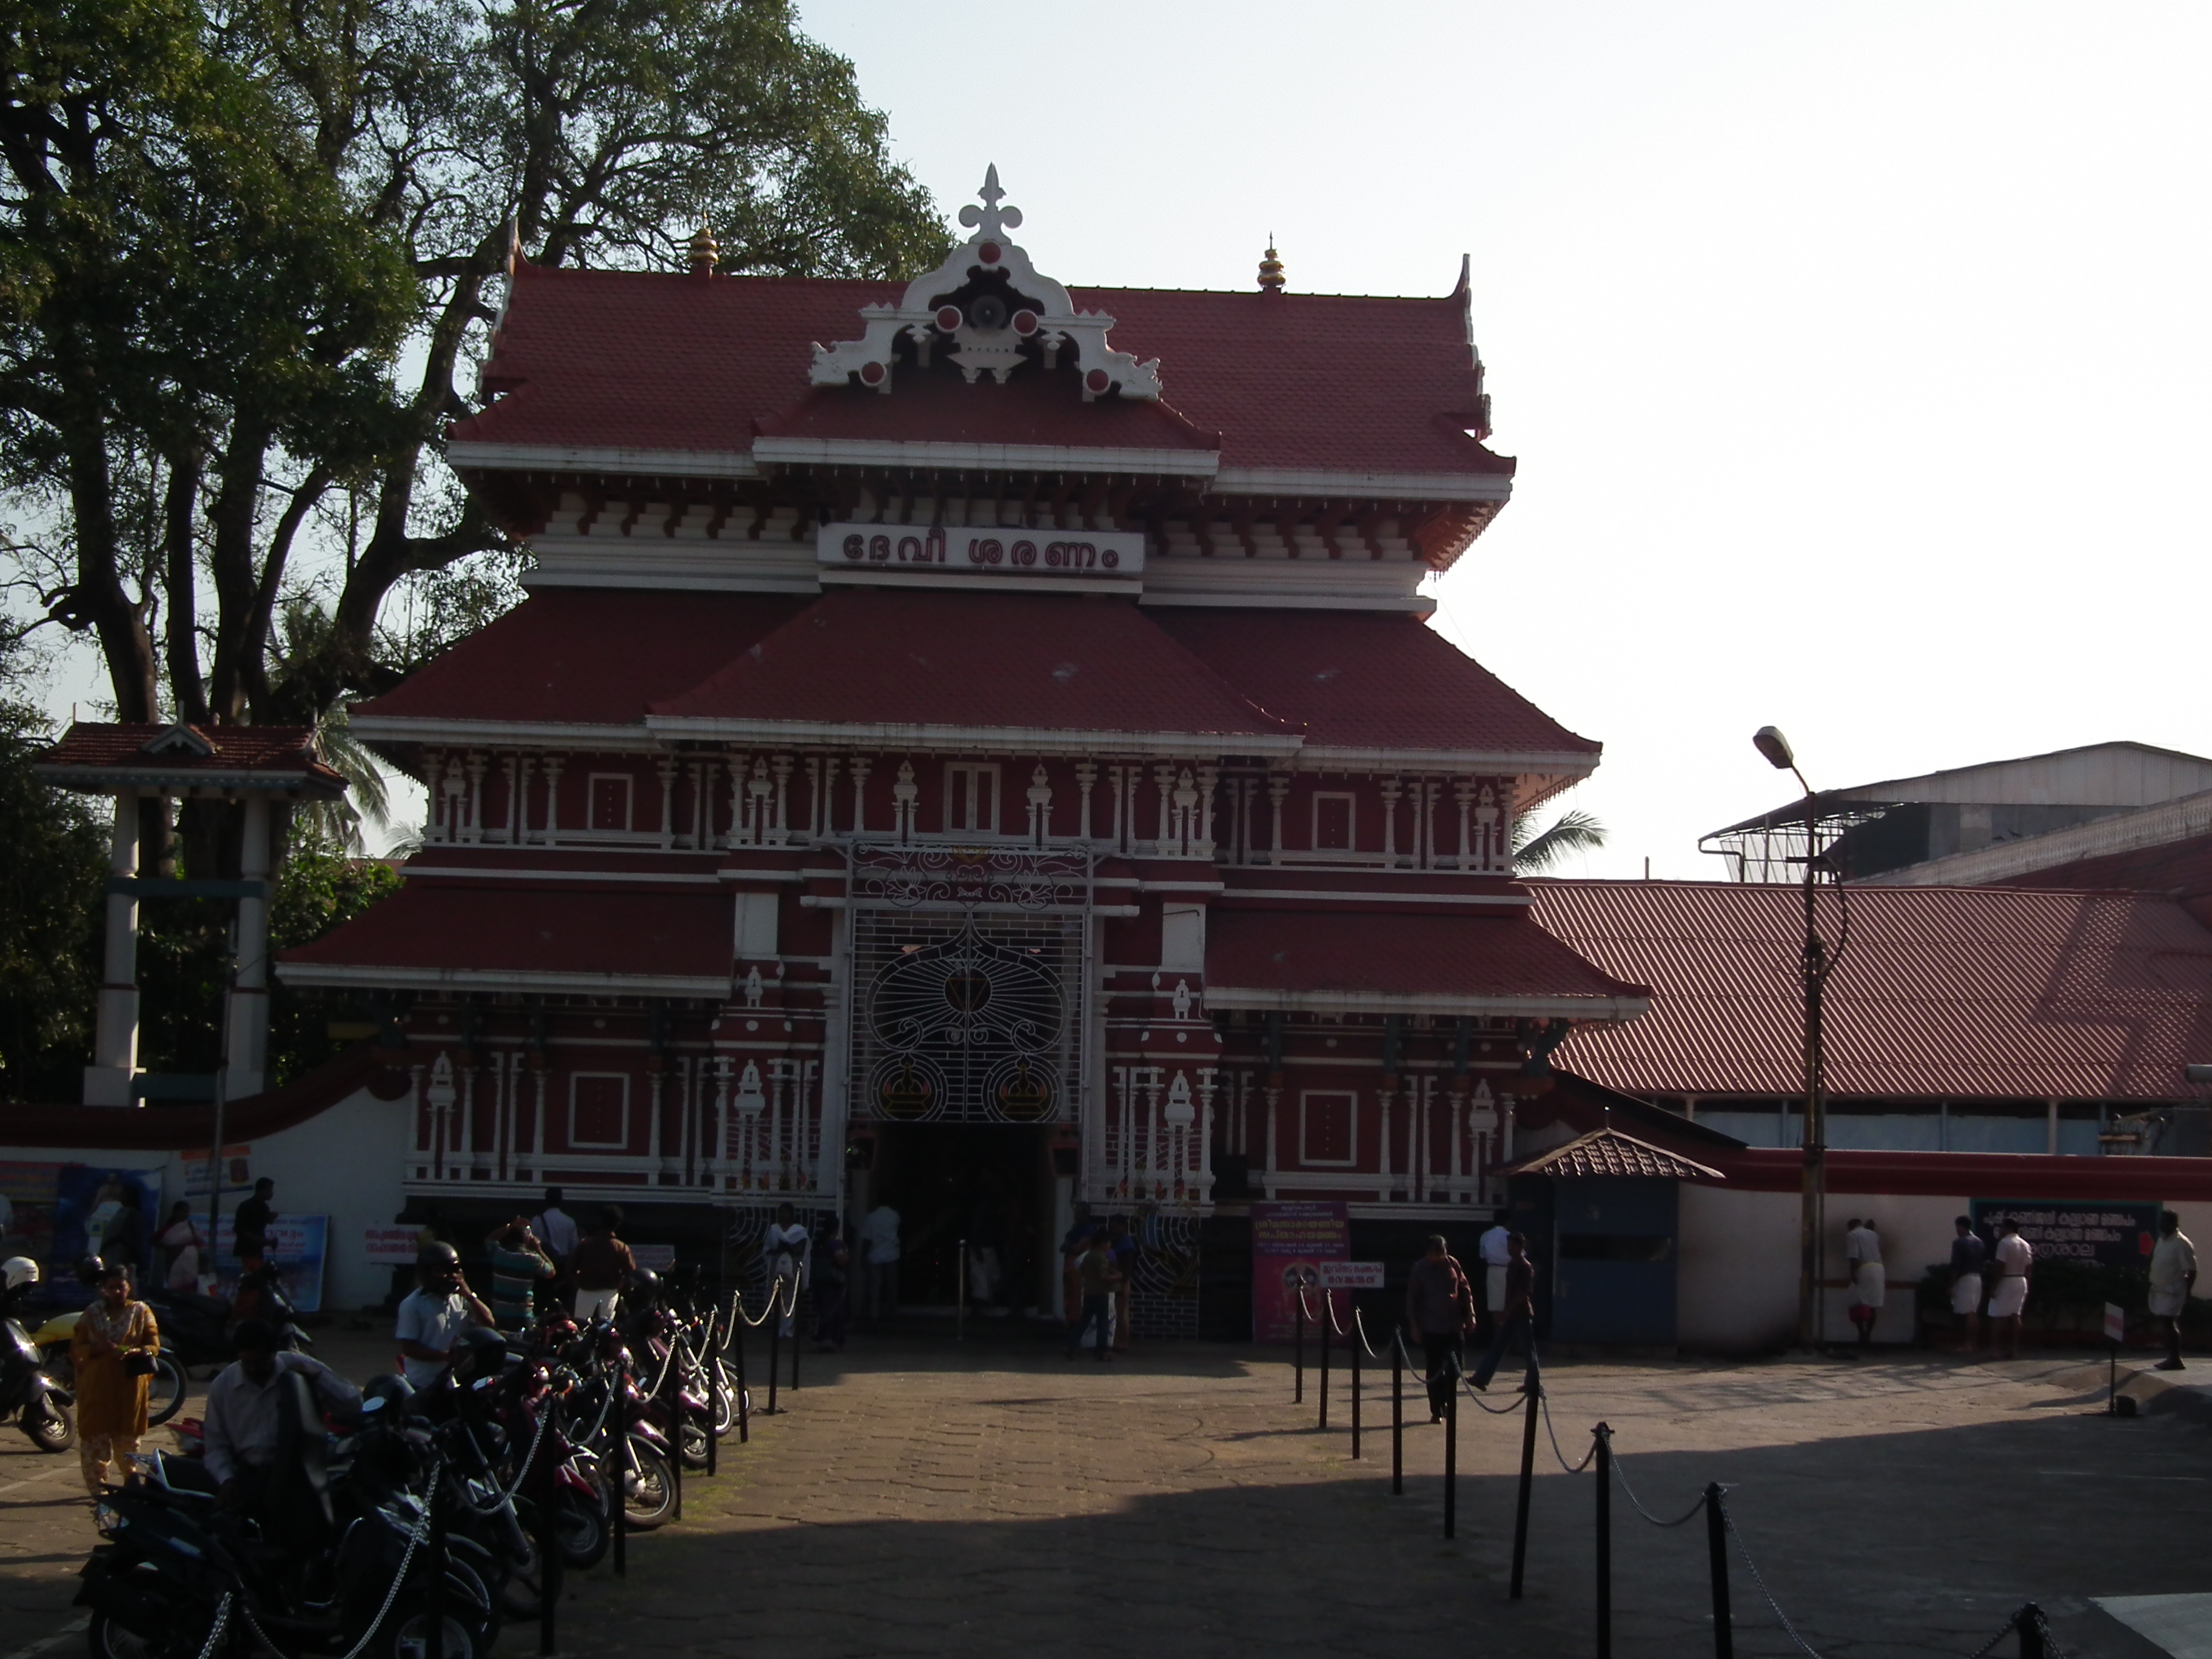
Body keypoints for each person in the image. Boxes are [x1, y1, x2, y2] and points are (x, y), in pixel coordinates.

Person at [203, 1318, 361, 1510]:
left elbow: (353, 1404)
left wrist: (319, 1380)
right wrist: (227, 1480)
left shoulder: (298, 1366)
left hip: (301, 1475)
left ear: (274, 1351)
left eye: (261, 1363)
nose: (254, 1370)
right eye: (248, 1363)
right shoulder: (223, 1386)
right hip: (252, 1476)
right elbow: (215, 1445)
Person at [70, 1261, 159, 1496]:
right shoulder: (92, 1314)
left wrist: (136, 1351)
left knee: (127, 1442)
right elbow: (77, 1347)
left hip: (128, 1387)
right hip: (97, 1387)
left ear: (129, 1287)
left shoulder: (141, 1312)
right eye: (112, 1288)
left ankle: (132, 1483)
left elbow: (154, 1344)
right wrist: (96, 1348)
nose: (117, 1292)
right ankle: (99, 1491)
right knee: (94, 1442)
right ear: (105, 1290)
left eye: (121, 1287)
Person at [395, 1243, 493, 1388]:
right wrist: (447, 1357)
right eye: (440, 1271)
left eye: (454, 1271)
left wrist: (470, 1295)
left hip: (453, 1382)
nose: (450, 1277)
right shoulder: (413, 1304)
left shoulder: (460, 1299)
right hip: (423, 1383)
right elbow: (409, 1348)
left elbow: (488, 1323)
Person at [1404, 1233, 1475, 1420]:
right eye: (1436, 1254)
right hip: (1432, 1325)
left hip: (1454, 1323)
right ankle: (1436, 1410)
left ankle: (1444, 1397)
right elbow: (1412, 1298)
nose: (1440, 1258)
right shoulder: (1420, 1269)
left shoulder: (1453, 1264)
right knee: (1434, 1369)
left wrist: (1471, 1313)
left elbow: (1465, 1289)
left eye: (1442, 1253)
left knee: (1458, 1365)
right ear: (1428, 1253)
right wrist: (1414, 1325)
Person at [1471, 1233, 1537, 1392]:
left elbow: (1523, 1293)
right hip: (1512, 1313)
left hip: (1521, 1313)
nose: (1510, 1249)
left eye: (1513, 1246)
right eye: (1509, 1246)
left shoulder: (1525, 1266)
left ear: (1521, 1247)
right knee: (1498, 1346)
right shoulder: (1513, 1264)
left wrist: (1508, 1310)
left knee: (1528, 1350)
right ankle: (1481, 1378)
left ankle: (1533, 1382)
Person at [486, 1219, 555, 1333]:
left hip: (499, 1313)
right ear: (528, 1240)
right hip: (522, 1315)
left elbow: (490, 1239)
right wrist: (538, 1249)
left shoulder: (499, 1254)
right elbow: (551, 1272)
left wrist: (509, 1227)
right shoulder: (532, 1259)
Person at [2148, 1210, 2198, 1372]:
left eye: (2165, 1222)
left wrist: (2188, 1292)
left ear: (2174, 1224)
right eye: (2160, 1221)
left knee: (2168, 1322)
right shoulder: (2162, 1240)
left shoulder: (2181, 1243)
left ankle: (2175, 1359)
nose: (2161, 1225)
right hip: (2159, 1290)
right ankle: (2172, 1357)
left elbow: (2191, 1270)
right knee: (2165, 1322)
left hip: (2173, 1291)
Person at [571, 1207, 637, 1322]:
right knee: (605, 1330)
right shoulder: (622, 1248)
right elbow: (631, 1275)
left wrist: (579, 1282)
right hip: (609, 1295)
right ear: (618, 1224)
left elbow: (570, 1268)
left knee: (581, 1330)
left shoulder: (585, 1244)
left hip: (585, 1294)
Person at [1065, 1233, 1119, 1360]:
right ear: (1102, 1244)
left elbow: (1082, 1271)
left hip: (1089, 1293)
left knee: (1084, 1323)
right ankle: (1101, 1352)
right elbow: (1104, 1276)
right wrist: (1117, 1277)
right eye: (1108, 1242)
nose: (1109, 1245)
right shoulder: (1101, 1258)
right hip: (1100, 1294)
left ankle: (1070, 1347)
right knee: (1103, 1324)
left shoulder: (1088, 1256)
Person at [1989, 1218, 2033, 1359]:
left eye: (2002, 1228)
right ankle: (2013, 1350)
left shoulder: (2005, 1243)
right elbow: (2029, 1268)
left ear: (2008, 1229)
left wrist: (1994, 1286)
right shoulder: (2025, 1245)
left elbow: (2000, 1266)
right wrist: (2027, 1285)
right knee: (2015, 1315)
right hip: (2021, 1280)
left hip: (2007, 1279)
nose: (2000, 1231)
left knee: (1997, 1315)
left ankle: (1994, 1350)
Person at [764, 1203, 809, 1338]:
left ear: (792, 1214)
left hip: (793, 1267)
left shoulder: (799, 1231)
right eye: (781, 1213)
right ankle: (778, 1328)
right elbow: (767, 1249)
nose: (783, 1216)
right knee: (777, 1296)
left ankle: (789, 1329)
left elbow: (803, 1250)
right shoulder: (774, 1229)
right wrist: (779, 1249)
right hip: (777, 1266)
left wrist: (790, 1248)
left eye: (786, 1213)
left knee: (790, 1300)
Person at [1948, 1216, 1987, 1354]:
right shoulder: (1979, 1242)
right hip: (1977, 1277)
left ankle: (1968, 1344)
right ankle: (1974, 1343)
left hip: (1965, 1278)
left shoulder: (1959, 1243)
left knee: (1968, 1313)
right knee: (1974, 1311)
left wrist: (1952, 1285)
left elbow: (1956, 1265)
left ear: (1960, 1227)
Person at [859, 1198, 901, 1324]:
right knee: (891, 1286)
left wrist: (863, 1257)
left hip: (875, 1255)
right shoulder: (895, 1216)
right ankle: (893, 1313)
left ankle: (874, 1314)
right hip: (891, 1254)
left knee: (875, 1287)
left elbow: (867, 1240)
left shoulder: (871, 1217)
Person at [1844, 1217, 1884, 1352]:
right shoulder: (1874, 1234)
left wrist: (1853, 1274)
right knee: (1873, 1304)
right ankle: (1868, 1336)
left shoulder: (1852, 1235)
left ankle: (1862, 1336)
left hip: (1864, 1268)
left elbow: (1854, 1257)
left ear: (1850, 1227)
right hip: (1879, 1269)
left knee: (1857, 1301)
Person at [813, 1221, 850, 1353]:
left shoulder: (819, 1244)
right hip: (833, 1283)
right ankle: (830, 1340)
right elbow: (842, 1260)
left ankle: (823, 1339)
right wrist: (846, 1250)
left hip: (820, 1282)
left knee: (823, 1311)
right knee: (834, 1312)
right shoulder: (834, 1244)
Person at [1059, 1203, 1100, 1325]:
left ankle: (1076, 1321)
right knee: (1069, 1293)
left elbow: (1077, 1248)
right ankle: (1071, 1319)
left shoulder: (1088, 1230)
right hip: (1070, 1264)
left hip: (1078, 1265)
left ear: (1085, 1214)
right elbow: (1063, 1248)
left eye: (1078, 1212)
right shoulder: (1075, 1228)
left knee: (1076, 1294)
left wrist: (1069, 1247)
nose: (1075, 1215)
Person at [1475, 1220, 1512, 1347]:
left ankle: (1498, 1339)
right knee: (1507, 1305)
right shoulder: (1508, 1236)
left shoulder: (1486, 1235)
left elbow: (1483, 1255)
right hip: (1507, 1269)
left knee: (1495, 1306)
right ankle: (1505, 1340)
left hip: (1492, 1270)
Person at [158, 1202, 205, 1295]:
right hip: (174, 1259)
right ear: (176, 1212)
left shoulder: (191, 1226)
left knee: (190, 1283)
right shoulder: (168, 1227)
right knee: (174, 1284)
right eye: (183, 1212)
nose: (185, 1214)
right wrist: (169, 1248)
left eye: (187, 1212)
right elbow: (154, 1240)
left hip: (191, 1258)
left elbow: (199, 1242)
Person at [1107, 1215, 1138, 1352]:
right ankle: (1118, 1342)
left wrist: (1122, 1282)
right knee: (1119, 1313)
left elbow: (1127, 1267)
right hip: (1118, 1280)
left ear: (1123, 1226)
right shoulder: (1119, 1241)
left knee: (1121, 1314)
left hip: (1121, 1281)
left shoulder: (1126, 1244)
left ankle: (1121, 1343)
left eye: (1115, 1227)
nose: (1113, 1230)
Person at [232, 1178, 275, 1268]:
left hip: (257, 1250)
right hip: (246, 1250)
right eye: (269, 1190)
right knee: (251, 1278)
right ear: (260, 1190)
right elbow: (239, 1229)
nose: (271, 1194)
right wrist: (258, 1239)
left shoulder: (264, 1207)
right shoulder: (246, 1206)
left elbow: (261, 1223)